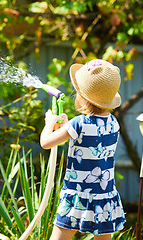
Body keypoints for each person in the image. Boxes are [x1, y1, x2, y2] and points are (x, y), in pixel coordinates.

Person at [40, 59, 126, 240]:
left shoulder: (79, 123)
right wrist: (65, 125)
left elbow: (46, 143)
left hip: (77, 196)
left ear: (83, 96)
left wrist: (49, 123)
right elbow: (91, 139)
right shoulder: (113, 123)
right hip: (104, 197)